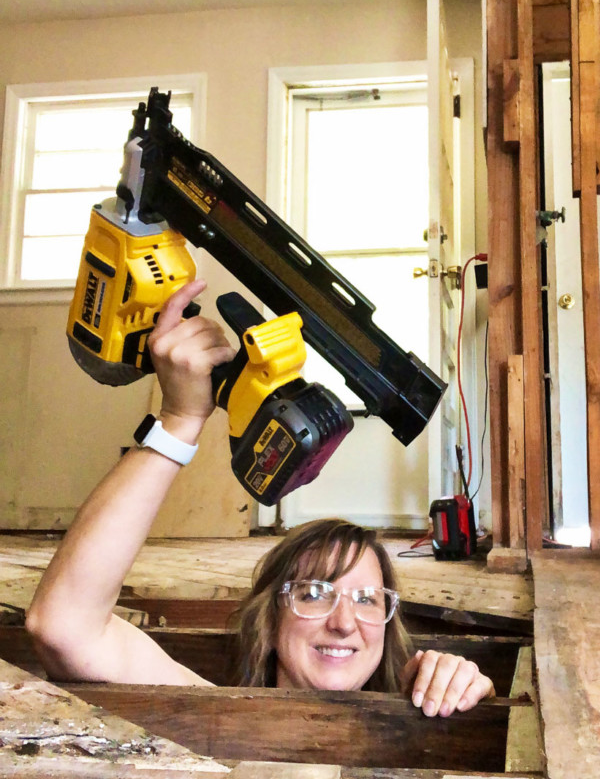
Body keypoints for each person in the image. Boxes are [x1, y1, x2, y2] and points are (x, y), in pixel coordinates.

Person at [27, 280, 495, 717]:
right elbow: (65, 627)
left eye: (369, 600)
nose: (344, 622)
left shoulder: (418, 726)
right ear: (268, 621)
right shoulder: (217, 719)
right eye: (314, 593)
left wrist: (467, 689)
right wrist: (178, 420)